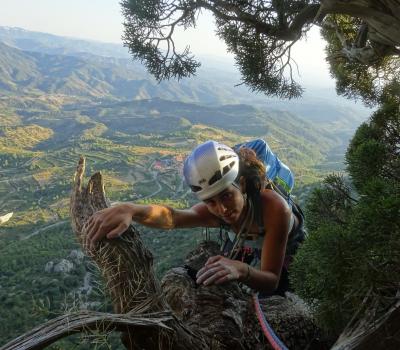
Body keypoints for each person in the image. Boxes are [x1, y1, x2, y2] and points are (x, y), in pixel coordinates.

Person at [85, 140, 305, 295]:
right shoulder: (217, 211)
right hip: (248, 241)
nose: (222, 209)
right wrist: (132, 210)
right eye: (210, 201)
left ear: (243, 185)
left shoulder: (275, 209)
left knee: (279, 296)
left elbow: (271, 280)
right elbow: (173, 217)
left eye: (227, 196)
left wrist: (240, 269)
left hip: (286, 248)